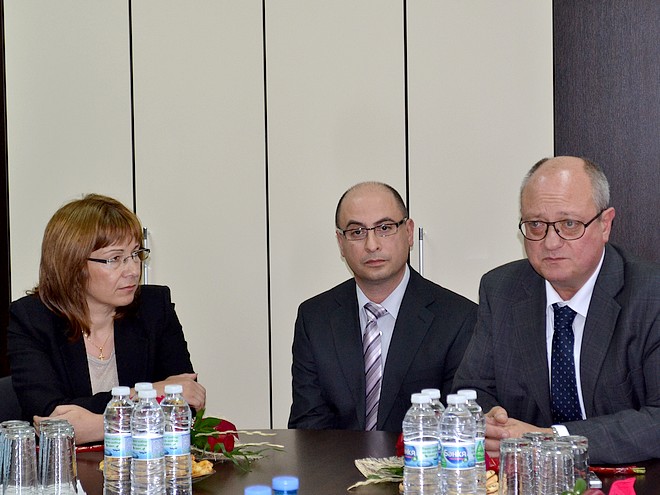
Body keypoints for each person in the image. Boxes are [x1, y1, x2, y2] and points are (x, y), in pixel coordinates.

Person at [453, 156, 660, 464]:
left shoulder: (650, 295)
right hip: (528, 478)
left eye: (569, 224)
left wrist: (552, 439)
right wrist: (493, 422)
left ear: (605, 224)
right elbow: (472, 390)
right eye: (536, 225)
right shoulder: (501, 290)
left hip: (632, 477)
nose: (550, 242)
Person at [7, 194, 206, 444]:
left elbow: (186, 402)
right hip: (66, 466)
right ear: (74, 265)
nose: (133, 270)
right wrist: (153, 391)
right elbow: (50, 418)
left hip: (143, 462)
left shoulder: (154, 308)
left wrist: (94, 424)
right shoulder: (32, 320)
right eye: (115, 259)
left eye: (136, 254)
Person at [288, 181, 477, 432]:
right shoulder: (314, 319)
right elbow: (308, 427)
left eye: (385, 228)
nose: (372, 245)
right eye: (357, 232)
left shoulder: (459, 319)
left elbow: (458, 428)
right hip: (335, 458)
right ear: (341, 243)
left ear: (409, 232)